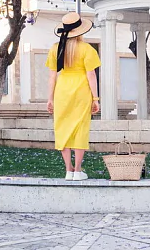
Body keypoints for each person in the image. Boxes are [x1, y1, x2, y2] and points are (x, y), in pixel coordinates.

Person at [46, 12, 100, 181]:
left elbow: (52, 76)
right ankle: (77, 171)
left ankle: (68, 170)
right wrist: (96, 98)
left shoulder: (55, 48)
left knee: (62, 128)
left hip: (62, 90)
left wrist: (50, 98)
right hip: (81, 90)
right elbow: (91, 75)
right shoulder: (87, 49)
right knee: (80, 129)